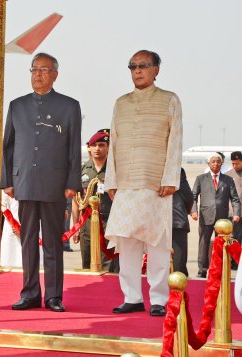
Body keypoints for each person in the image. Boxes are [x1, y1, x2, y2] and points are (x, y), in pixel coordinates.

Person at [1, 52, 82, 312]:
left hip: (55, 183)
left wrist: (72, 182)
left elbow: (73, 148)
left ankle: (54, 296)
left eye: (44, 69)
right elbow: (8, 147)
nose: (38, 74)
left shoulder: (69, 106)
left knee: (52, 243)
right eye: (34, 69)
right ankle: (30, 293)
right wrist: (7, 180)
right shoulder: (17, 105)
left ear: (55, 74)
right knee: (27, 242)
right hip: (24, 182)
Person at [105, 50, 183, 317]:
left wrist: (171, 178)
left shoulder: (169, 99)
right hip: (126, 184)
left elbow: (175, 140)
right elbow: (113, 142)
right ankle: (133, 297)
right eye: (133, 66)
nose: (137, 71)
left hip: (156, 184)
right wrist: (111, 181)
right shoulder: (121, 103)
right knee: (127, 244)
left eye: (143, 66)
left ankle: (159, 299)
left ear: (156, 69)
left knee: (158, 245)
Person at [72, 129, 118, 272]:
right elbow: (76, 200)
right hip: (86, 223)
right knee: (87, 262)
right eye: (94, 145)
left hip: (109, 222)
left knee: (109, 264)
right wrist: (75, 228)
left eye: (101, 145)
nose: (97, 149)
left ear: (108, 147)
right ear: (89, 148)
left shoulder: (115, 171)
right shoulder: (82, 170)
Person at [191, 152, 240, 277]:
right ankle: (202, 270)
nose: (216, 164)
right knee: (204, 243)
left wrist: (236, 213)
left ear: (221, 163)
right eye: (213, 161)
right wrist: (194, 211)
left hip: (222, 219)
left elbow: (235, 198)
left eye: (218, 161)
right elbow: (194, 196)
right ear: (209, 163)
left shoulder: (228, 180)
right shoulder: (200, 178)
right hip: (205, 216)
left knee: (221, 244)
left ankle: (219, 269)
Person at [172, 168, 194, 276]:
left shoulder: (153, 167)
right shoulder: (177, 170)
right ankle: (178, 284)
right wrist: (185, 209)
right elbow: (189, 196)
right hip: (177, 217)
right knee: (178, 257)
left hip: (157, 217)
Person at [226, 151, 242, 249]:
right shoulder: (227, 175)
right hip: (234, 214)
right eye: (233, 163)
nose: (235, 165)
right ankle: (234, 264)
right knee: (235, 239)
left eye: (237, 163)